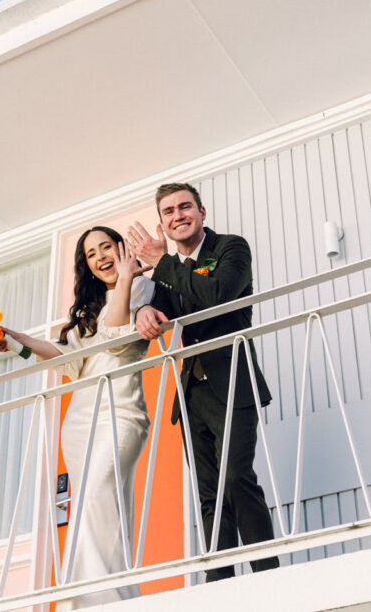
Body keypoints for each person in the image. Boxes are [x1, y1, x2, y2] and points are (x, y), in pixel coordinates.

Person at [126, 182, 280, 582]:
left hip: (233, 380)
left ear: (202, 212)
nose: (178, 215)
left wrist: (163, 262)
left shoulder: (231, 248)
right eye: (169, 211)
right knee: (209, 492)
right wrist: (143, 310)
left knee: (237, 476)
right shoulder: (167, 273)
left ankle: (269, 574)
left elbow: (217, 293)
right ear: (162, 221)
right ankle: (219, 584)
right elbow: (157, 308)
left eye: (185, 207)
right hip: (191, 393)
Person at [0, 226, 153, 610]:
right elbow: (67, 356)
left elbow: (116, 336)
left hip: (120, 414)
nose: (100, 257)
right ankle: (91, 599)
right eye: (90, 254)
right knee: (93, 508)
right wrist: (11, 337)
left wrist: (126, 277)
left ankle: (99, 602)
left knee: (100, 498)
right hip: (80, 421)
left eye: (107, 248)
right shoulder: (89, 307)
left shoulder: (141, 288)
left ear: (122, 249)